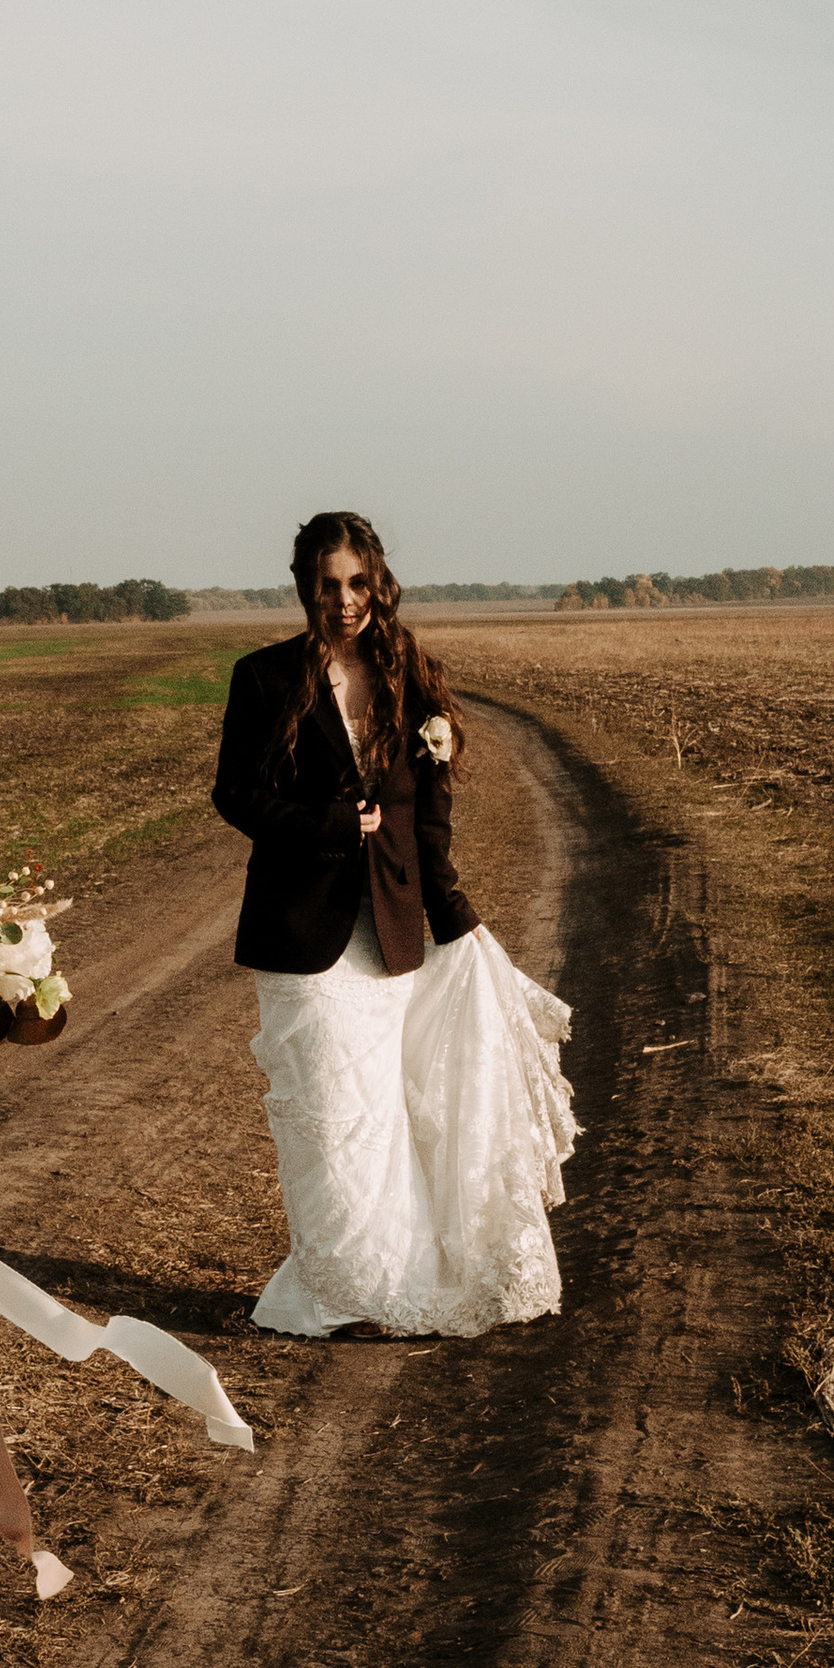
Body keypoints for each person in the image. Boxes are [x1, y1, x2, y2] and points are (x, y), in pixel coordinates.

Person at [212, 510, 577, 1340]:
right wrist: (326, 826)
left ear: (379, 582)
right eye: (327, 586)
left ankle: (383, 1283)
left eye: (357, 583)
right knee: (330, 1117)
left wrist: (454, 912)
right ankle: (336, 1294)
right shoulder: (264, 678)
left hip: (391, 931)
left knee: (381, 1116)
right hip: (303, 934)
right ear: (307, 588)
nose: (344, 601)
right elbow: (235, 793)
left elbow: (429, 815)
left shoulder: (414, 678)